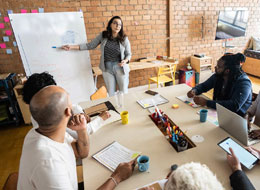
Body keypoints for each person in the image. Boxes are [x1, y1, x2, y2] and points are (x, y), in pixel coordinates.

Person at [17, 85, 136, 190]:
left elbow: (81, 152)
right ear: (68, 112)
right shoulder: (48, 164)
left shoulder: (40, 132)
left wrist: (82, 129)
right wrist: (117, 177)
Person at [22, 72, 111, 138]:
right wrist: (100, 119)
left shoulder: (45, 107)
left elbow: (75, 106)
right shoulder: (46, 118)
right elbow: (79, 134)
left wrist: (80, 114)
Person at [62, 16, 131, 97]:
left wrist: (125, 60)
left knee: (123, 91)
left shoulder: (124, 38)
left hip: (120, 68)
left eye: (120, 24)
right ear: (110, 24)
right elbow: (90, 45)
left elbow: (128, 54)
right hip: (107, 69)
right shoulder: (103, 35)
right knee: (111, 93)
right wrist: (72, 47)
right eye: (115, 23)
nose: (117, 26)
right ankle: (115, 109)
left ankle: (125, 108)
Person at [187, 53, 252, 117]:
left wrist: (207, 102)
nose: (215, 67)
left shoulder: (244, 83)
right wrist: (195, 90)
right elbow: (204, 86)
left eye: (219, 67)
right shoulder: (218, 76)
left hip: (236, 118)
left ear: (227, 71)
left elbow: (234, 105)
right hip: (219, 113)